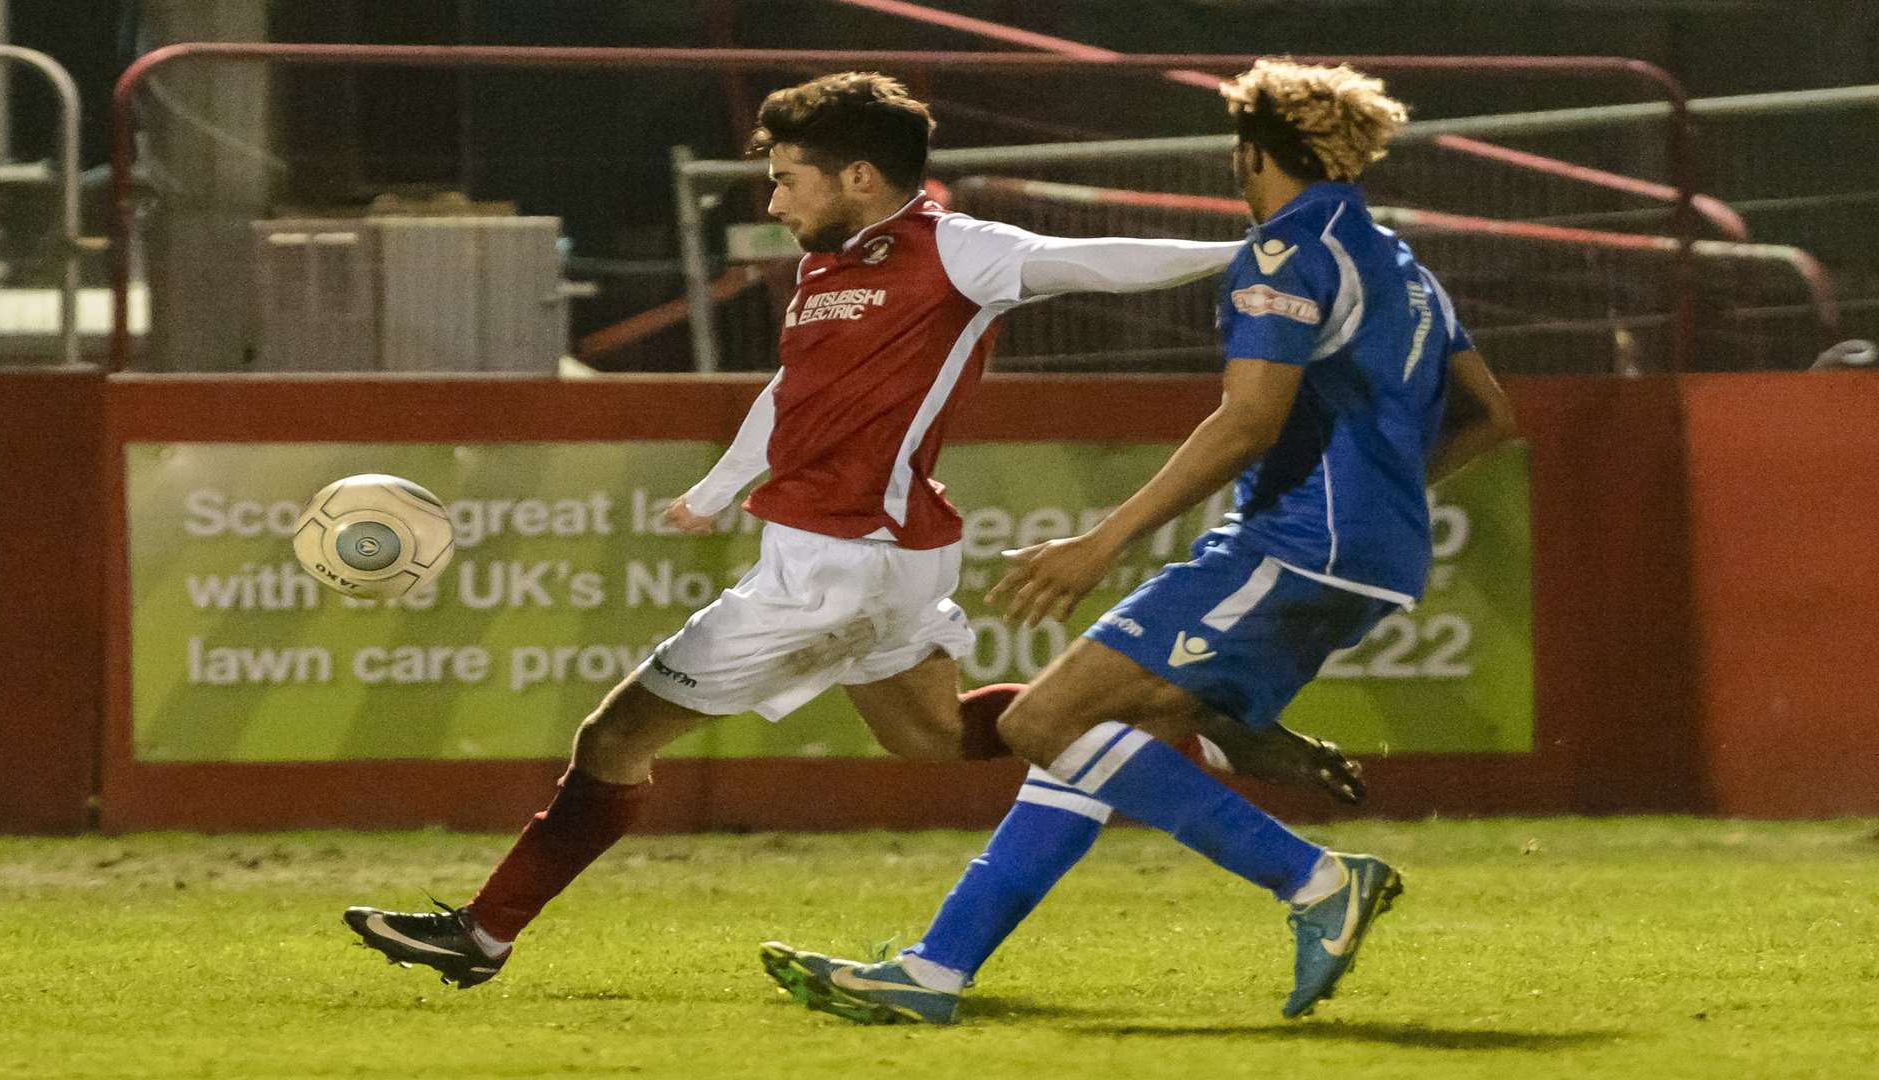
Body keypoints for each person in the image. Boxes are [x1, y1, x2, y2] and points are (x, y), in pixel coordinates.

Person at [342, 71, 1353, 989]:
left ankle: (483, 935)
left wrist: (1247, 251)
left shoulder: (949, 246)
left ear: (861, 176)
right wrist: (719, 487)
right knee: (937, 736)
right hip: (888, 562)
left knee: (615, 737)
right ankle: (1182, 722)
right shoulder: (827, 270)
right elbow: (791, 396)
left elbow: (1084, 263)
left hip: (838, 564)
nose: (774, 200)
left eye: (789, 180)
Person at [759, 58, 1519, 1024]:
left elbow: (1245, 421)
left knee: (1043, 721)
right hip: (1366, 556)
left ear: (1249, 152)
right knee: (1109, 737)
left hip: (1292, 547)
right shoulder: (1399, 263)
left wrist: (1102, 541)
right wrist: (1380, 503)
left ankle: (1317, 881)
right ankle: (935, 971)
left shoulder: (1284, 255)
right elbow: (1493, 418)